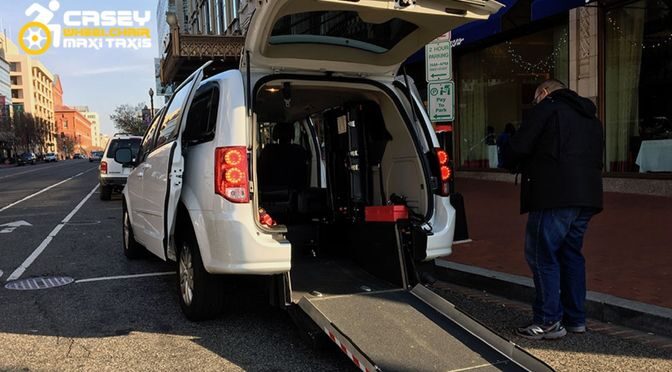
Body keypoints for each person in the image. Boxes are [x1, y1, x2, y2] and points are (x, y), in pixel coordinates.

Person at [502, 79, 603, 340]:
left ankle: (548, 321)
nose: (535, 102)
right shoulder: (590, 117)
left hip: (553, 193)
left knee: (541, 254)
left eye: (536, 97)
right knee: (571, 255)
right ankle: (575, 319)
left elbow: (519, 146)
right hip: (587, 195)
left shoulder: (547, 107)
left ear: (544, 92)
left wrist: (510, 157)